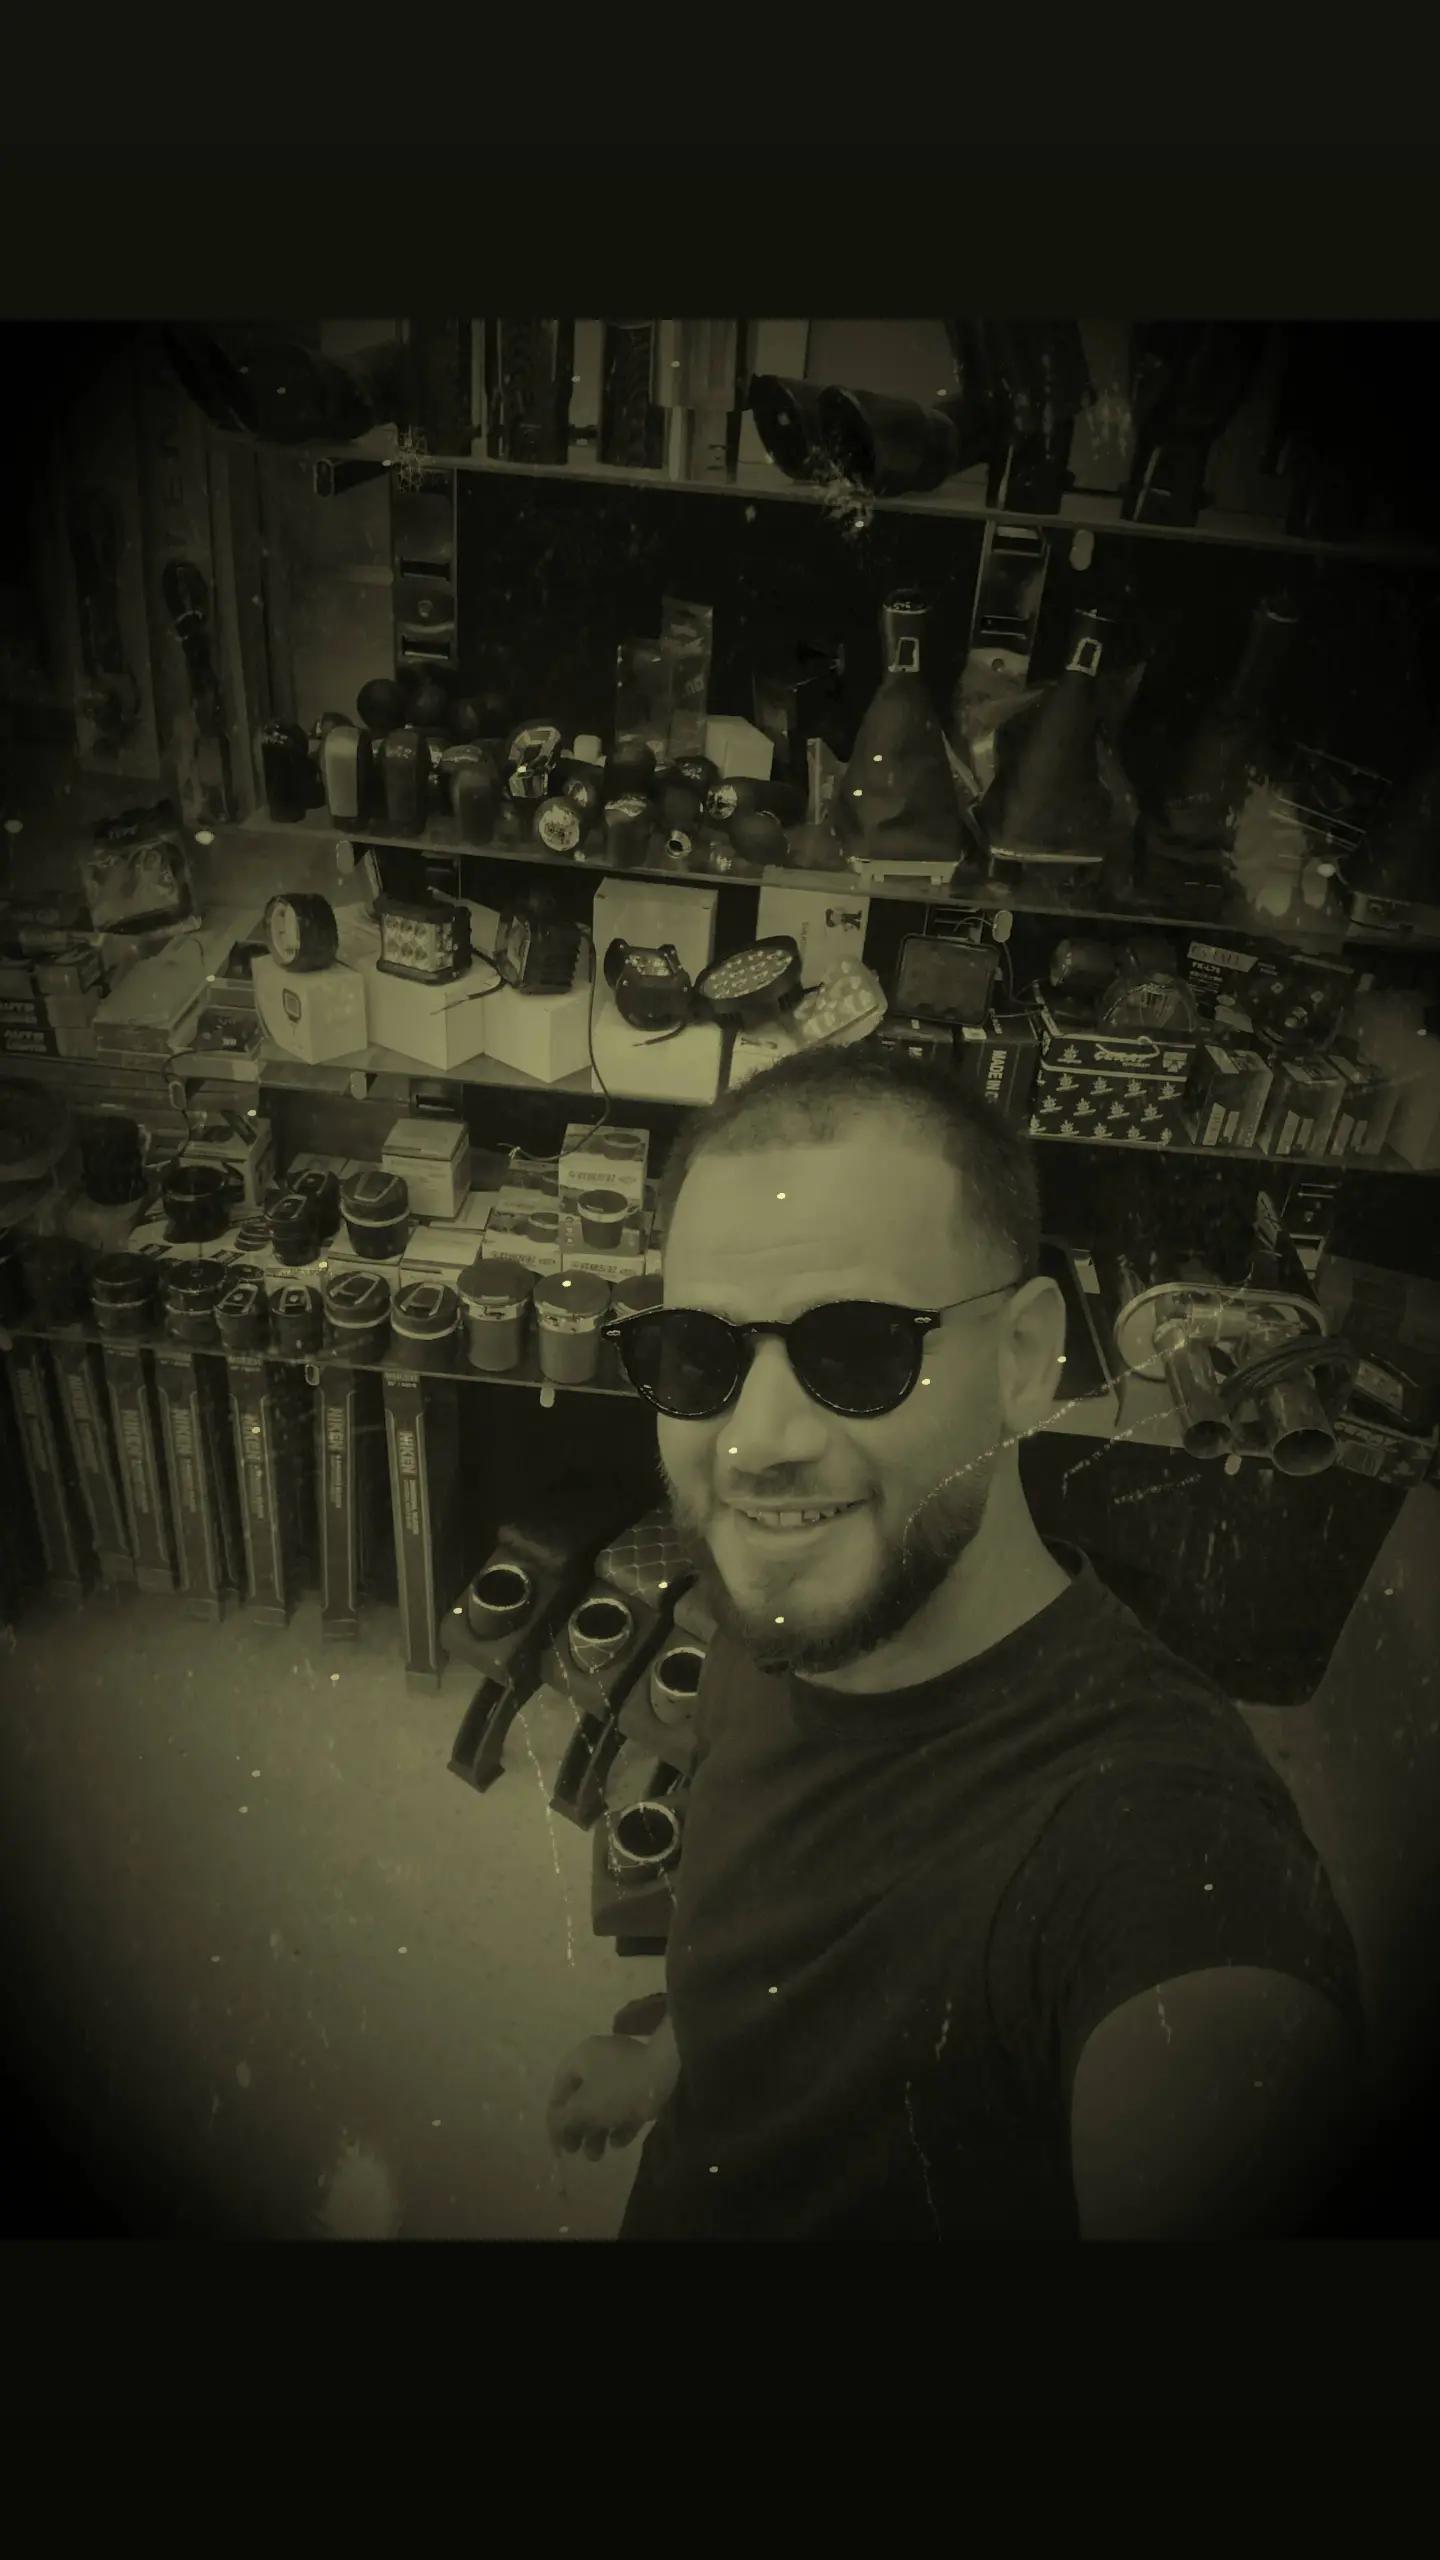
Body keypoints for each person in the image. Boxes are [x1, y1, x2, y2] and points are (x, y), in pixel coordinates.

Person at [547, 1046, 1365, 2238]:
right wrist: (675, 2059)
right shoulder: (784, 1607)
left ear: (1026, 1362)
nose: (753, 1443)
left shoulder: (1163, 1852)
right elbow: (766, 1944)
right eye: (701, 1356)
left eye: (858, 1348)